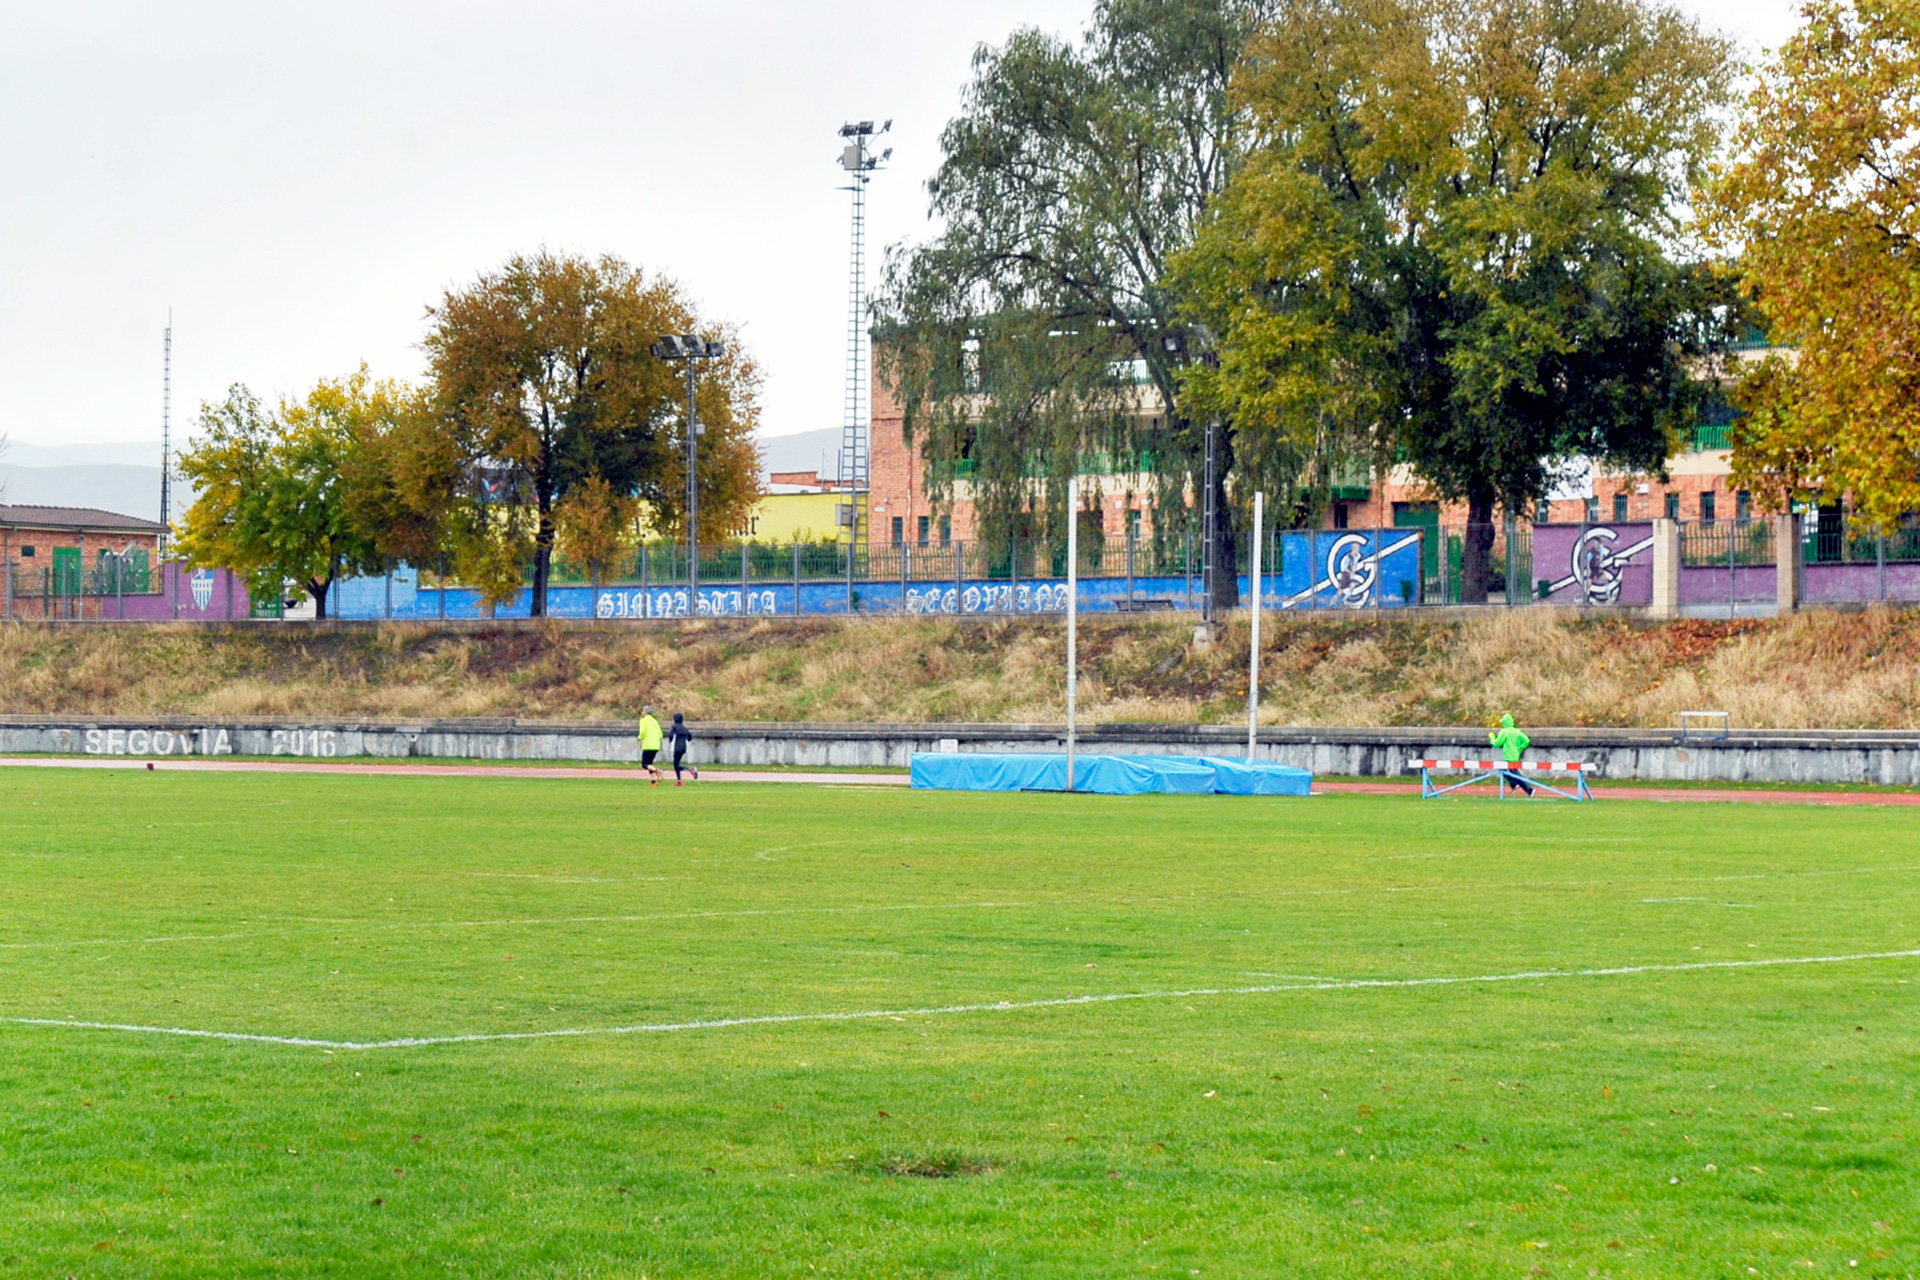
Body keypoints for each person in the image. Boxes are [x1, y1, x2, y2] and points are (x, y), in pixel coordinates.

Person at [1490, 712, 1535, 796]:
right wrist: (1521, 747)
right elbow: (1527, 740)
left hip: (1509, 756)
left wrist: (1492, 738)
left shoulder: (1504, 732)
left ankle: (1527, 789)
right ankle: (1515, 784)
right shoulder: (1517, 731)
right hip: (1516, 755)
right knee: (1508, 771)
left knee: (1512, 773)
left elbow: (1496, 743)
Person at [667, 711, 698, 786]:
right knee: (676, 764)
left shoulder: (674, 727)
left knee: (676, 765)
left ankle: (690, 770)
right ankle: (679, 781)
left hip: (676, 747)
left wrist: (670, 740)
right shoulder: (684, 728)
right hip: (683, 747)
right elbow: (690, 737)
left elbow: (670, 735)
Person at [637, 705, 664, 785]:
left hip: (648, 745)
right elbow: (660, 734)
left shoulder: (643, 720)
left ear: (645, 712)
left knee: (644, 764)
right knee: (649, 764)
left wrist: (639, 738)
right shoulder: (655, 721)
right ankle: (653, 781)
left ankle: (657, 771)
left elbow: (642, 732)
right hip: (656, 745)